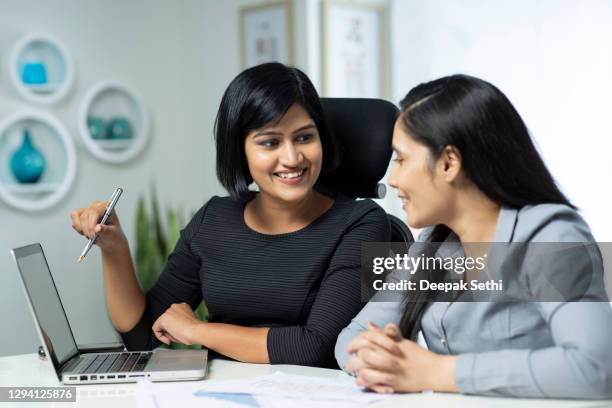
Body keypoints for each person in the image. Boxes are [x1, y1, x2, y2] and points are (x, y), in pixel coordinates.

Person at [71, 62, 390, 368]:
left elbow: (318, 348)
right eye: (270, 142)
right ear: (240, 150)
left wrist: (197, 331)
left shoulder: (366, 223)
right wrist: (114, 247)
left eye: (305, 137)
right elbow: (142, 336)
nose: (292, 157)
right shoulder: (214, 219)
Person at [335, 74, 612, 398]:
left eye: (401, 159)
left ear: (449, 163)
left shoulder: (552, 235)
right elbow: (350, 338)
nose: (393, 178)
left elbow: (597, 365)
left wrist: (436, 371)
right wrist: (375, 355)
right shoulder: (431, 244)